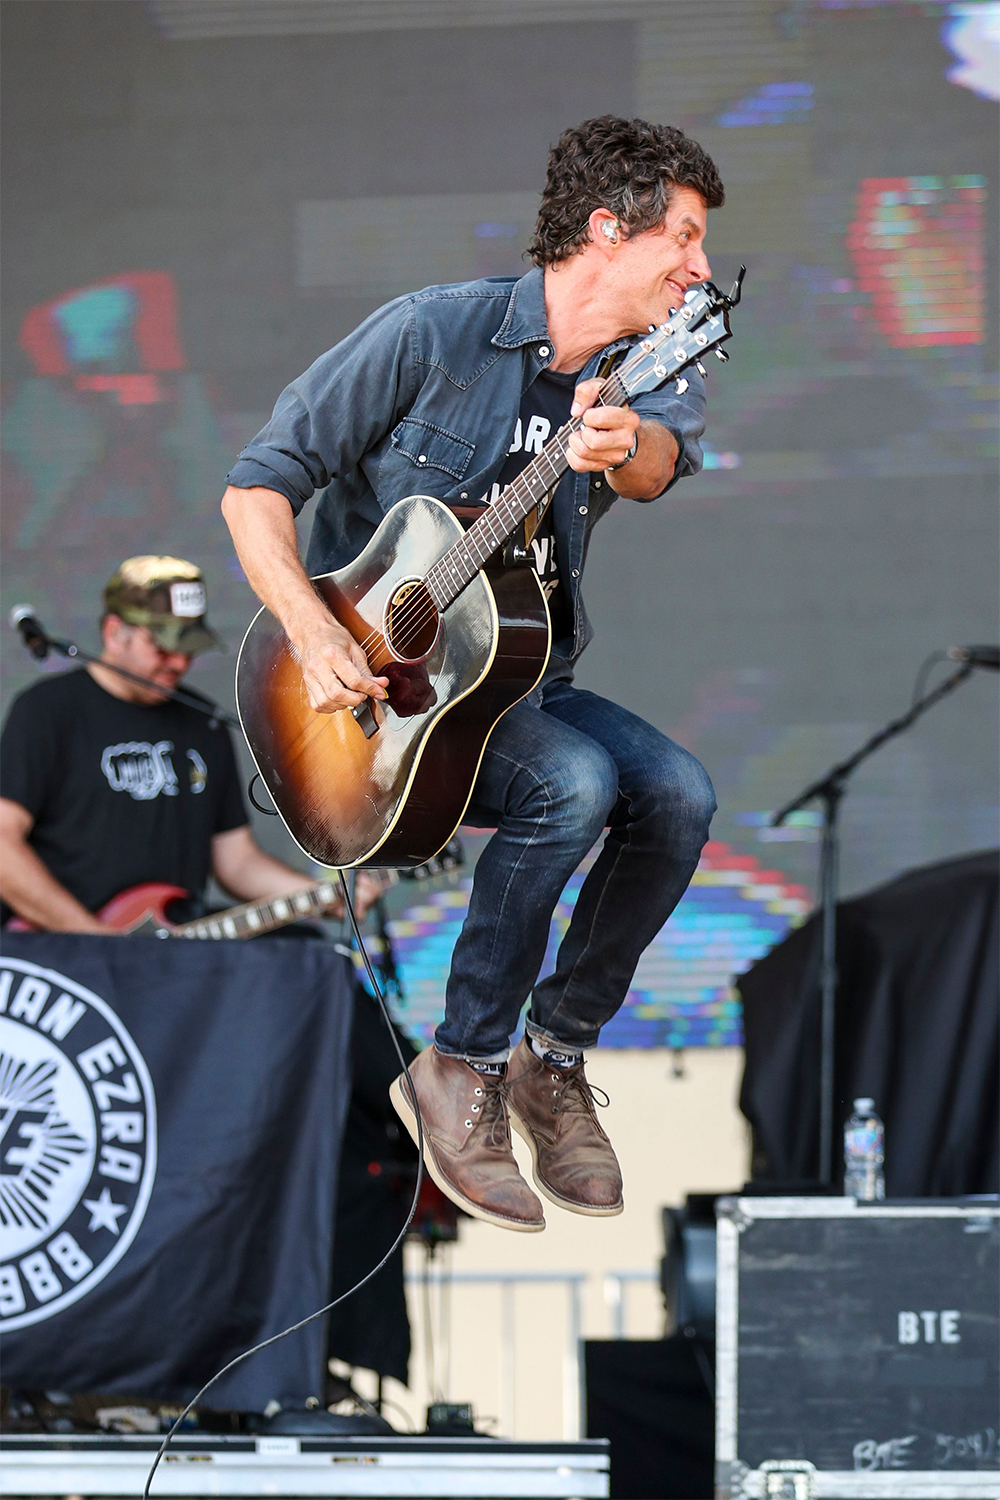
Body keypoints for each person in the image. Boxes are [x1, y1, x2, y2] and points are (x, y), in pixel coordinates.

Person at [221, 116, 725, 1232]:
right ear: (607, 228)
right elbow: (255, 490)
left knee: (680, 794)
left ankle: (552, 1057)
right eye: (681, 238)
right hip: (376, 704)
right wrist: (311, 631)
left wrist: (617, 439)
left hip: (513, 681)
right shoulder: (428, 335)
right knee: (574, 787)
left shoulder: (648, 362)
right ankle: (461, 1064)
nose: (697, 266)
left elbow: (652, 468)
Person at [0, 555, 345, 932]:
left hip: (167, 948)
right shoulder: (48, 710)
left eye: (189, 647)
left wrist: (325, 896)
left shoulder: (204, 722)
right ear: (115, 633)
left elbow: (236, 862)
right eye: (162, 647)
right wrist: (93, 939)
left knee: (300, 947)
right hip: (67, 956)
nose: (178, 662)